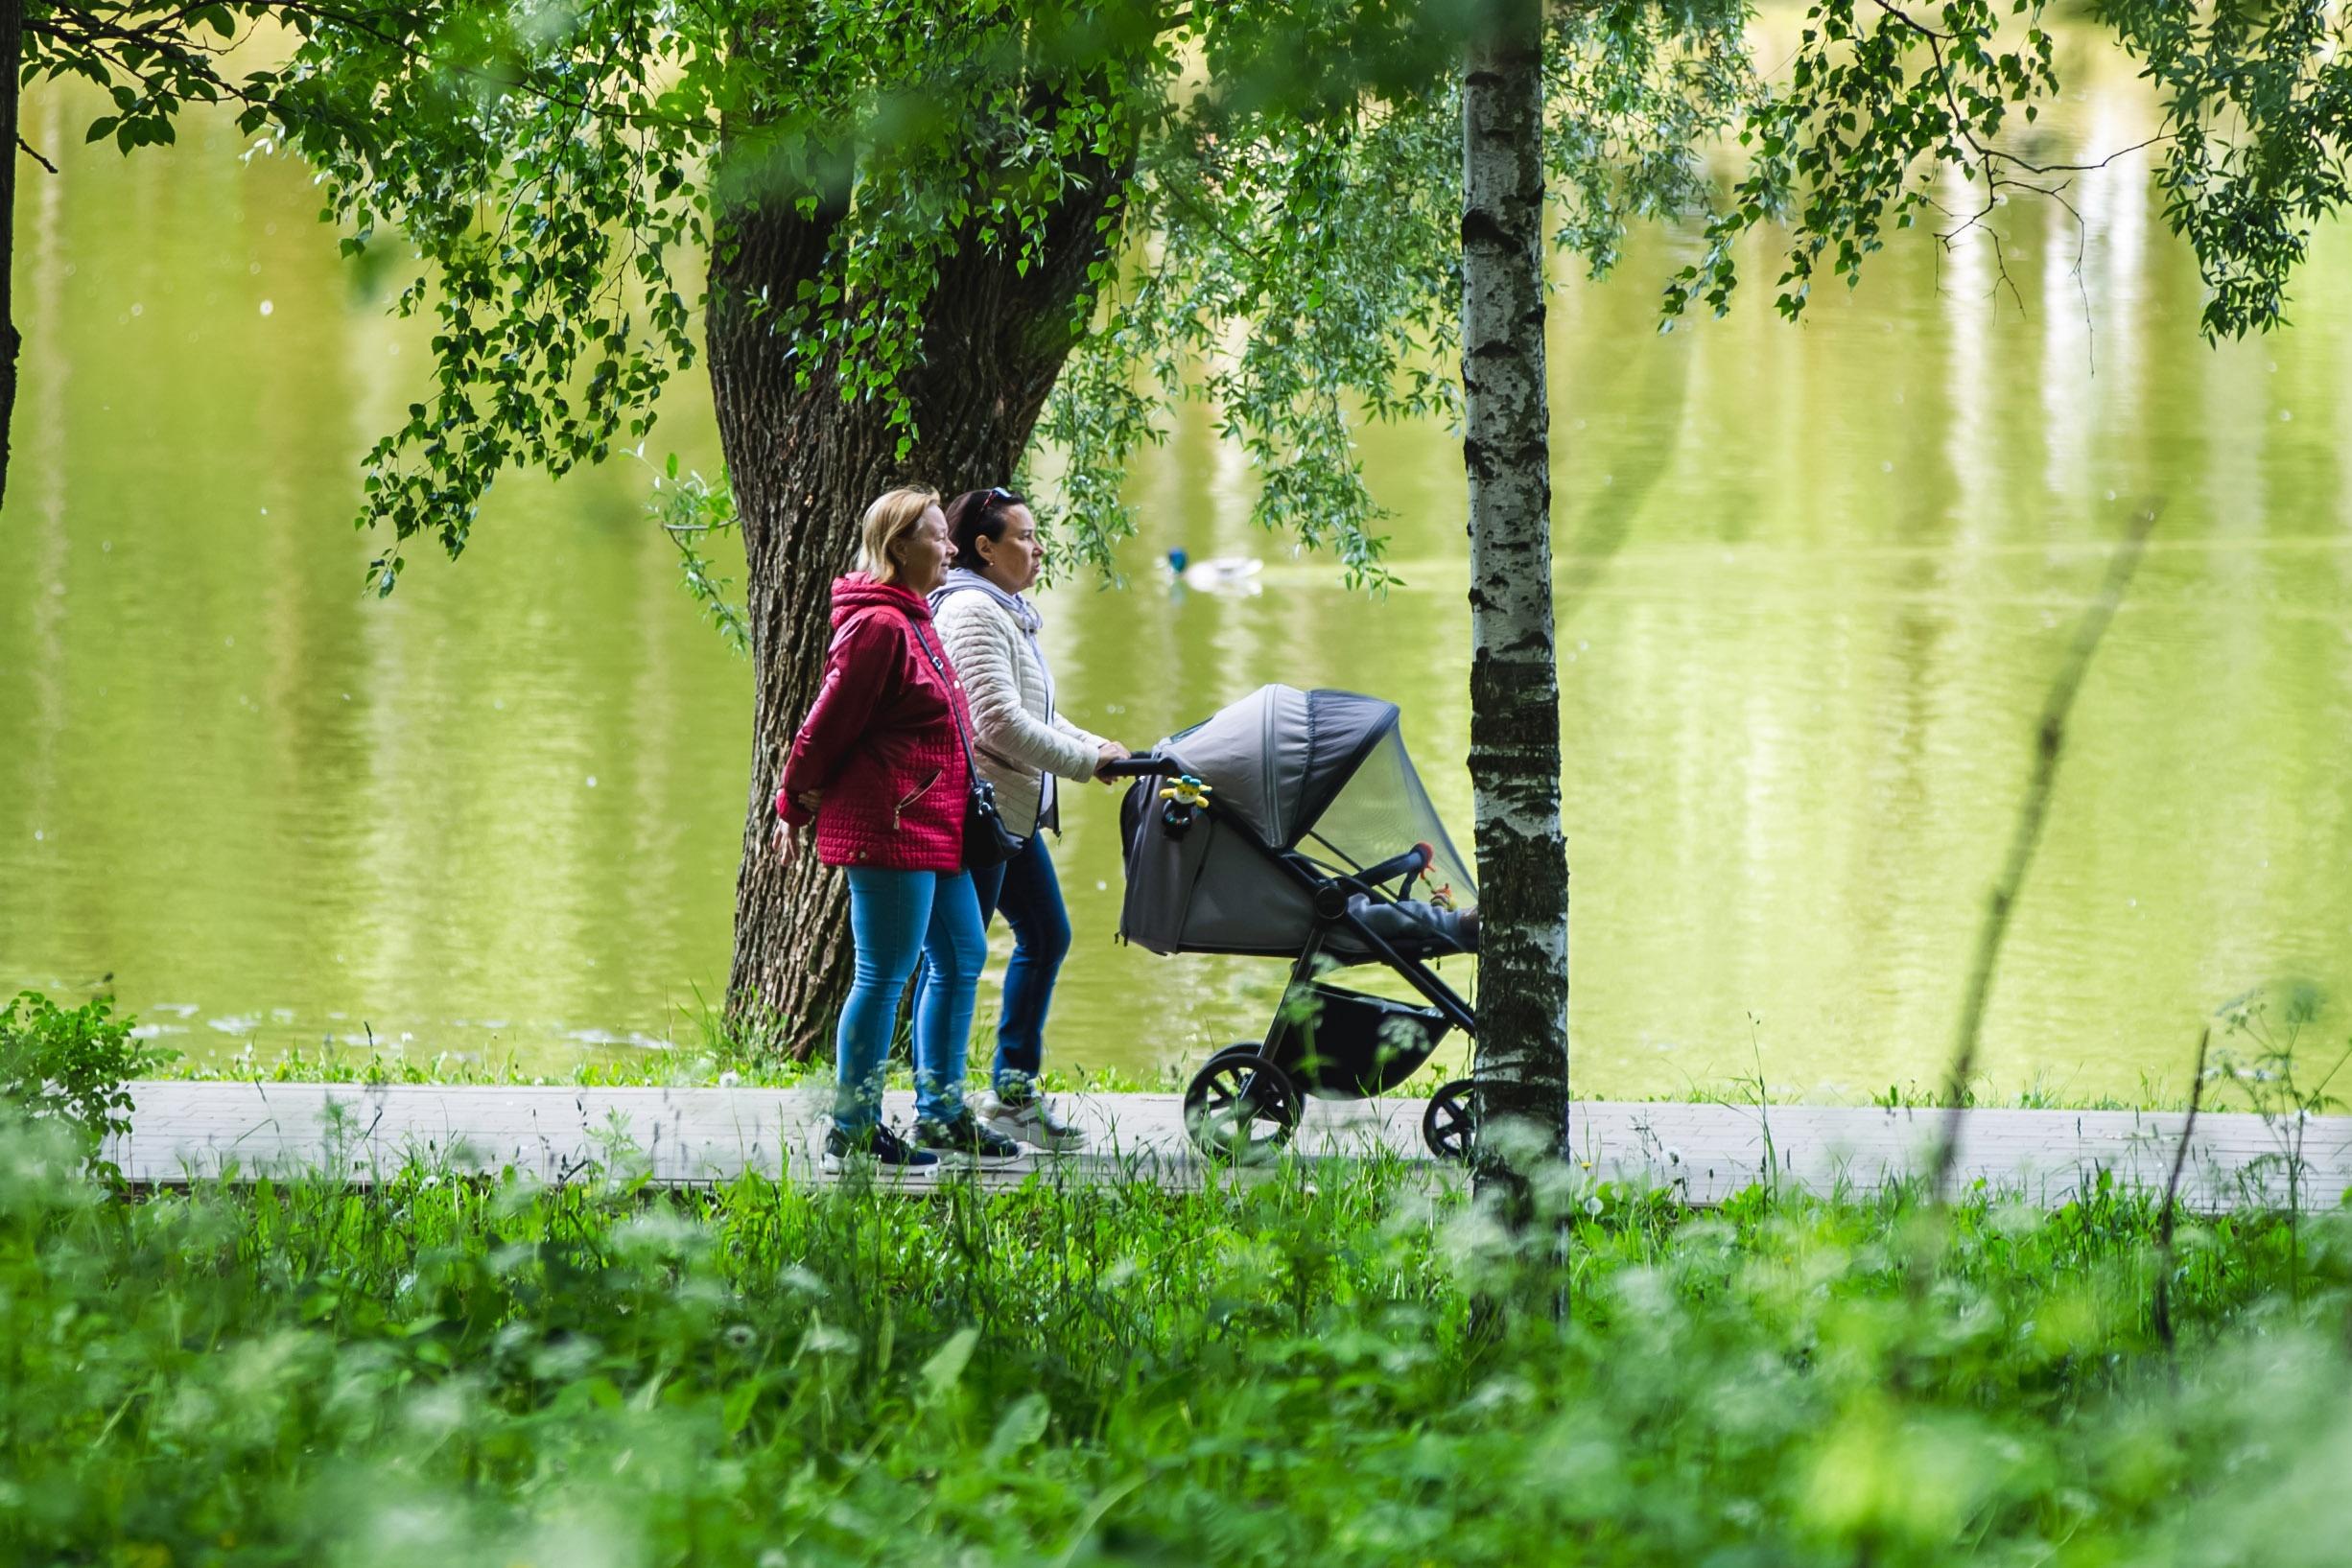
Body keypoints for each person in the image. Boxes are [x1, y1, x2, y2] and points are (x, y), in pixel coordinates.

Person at [773, 485, 1022, 1168]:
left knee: (963, 954)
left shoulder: (915, 617)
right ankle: (850, 1125)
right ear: (898, 547)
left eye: (947, 536)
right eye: (938, 537)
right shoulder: (877, 627)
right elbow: (826, 723)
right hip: (889, 826)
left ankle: (940, 1112)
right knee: (883, 975)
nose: (949, 548)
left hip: (931, 826)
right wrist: (792, 800)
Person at [914, 485, 1129, 1151]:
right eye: (1025, 537)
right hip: (977, 813)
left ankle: (1010, 1094)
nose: (1038, 548)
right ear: (985, 546)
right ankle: (939, 1105)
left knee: (1045, 934)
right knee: (954, 959)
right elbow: (998, 724)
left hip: (1010, 816)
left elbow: (1031, 709)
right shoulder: (973, 611)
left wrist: (1096, 746)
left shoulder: (1006, 610)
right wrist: (1083, 763)